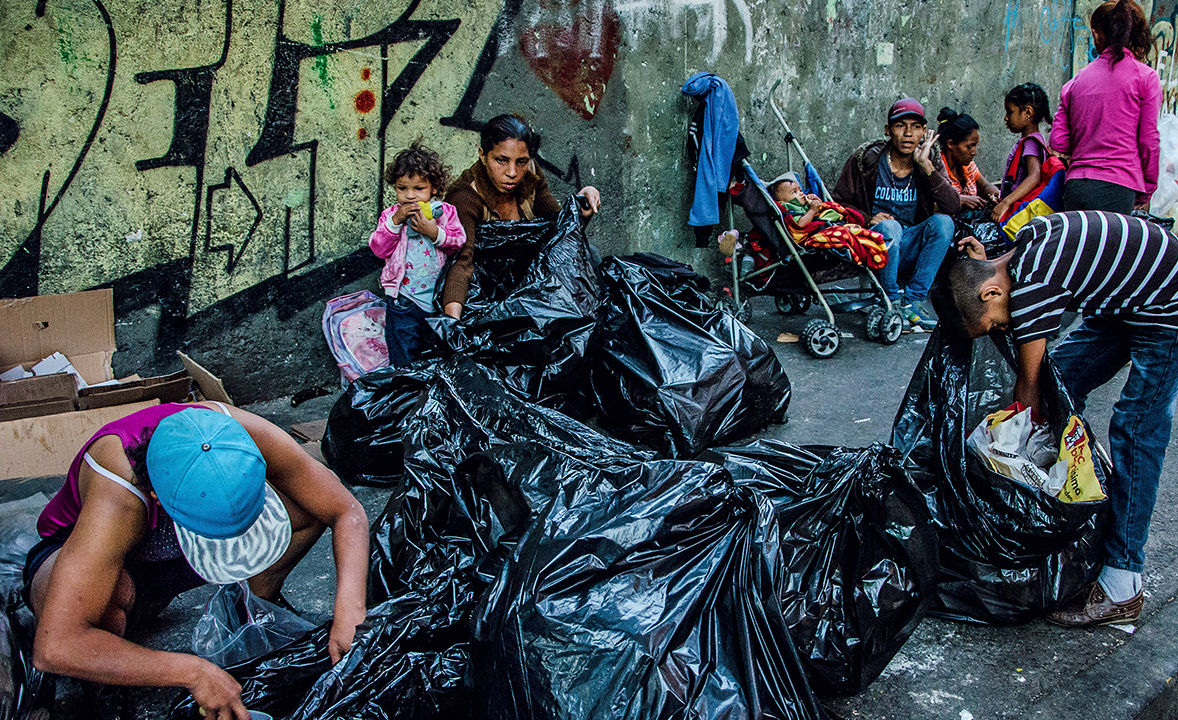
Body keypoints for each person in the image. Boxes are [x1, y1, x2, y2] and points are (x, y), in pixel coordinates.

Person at [24, 402, 370, 720]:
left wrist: (349, 609)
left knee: (307, 506)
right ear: (157, 495)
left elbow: (345, 510)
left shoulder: (240, 434)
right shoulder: (118, 493)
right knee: (109, 604)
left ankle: (248, 612)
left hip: (179, 556)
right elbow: (56, 645)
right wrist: (192, 672)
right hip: (107, 566)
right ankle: (107, 687)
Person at [949, 211, 1178, 626]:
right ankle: (1087, 499)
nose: (1002, 328)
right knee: (1065, 383)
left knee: (1136, 428)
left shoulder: (1030, 288)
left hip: (1167, 309)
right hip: (1123, 304)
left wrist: (1014, 459)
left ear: (990, 294)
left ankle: (1123, 582)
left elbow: (1029, 389)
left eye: (994, 324)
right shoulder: (1017, 257)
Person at [441, 114, 601, 320]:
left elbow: (559, 231)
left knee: (591, 256)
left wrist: (581, 205)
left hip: (528, 280)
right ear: (483, 155)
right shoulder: (465, 197)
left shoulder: (530, 175)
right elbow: (462, 262)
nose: (512, 172)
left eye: (521, 162)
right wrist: (451, 327)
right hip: (490, 290)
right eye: (501, 160)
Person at [832, 97, 960, 330]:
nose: (908, 133)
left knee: (944, 223)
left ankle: (912, 301)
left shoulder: (928, 159)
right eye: (901, 126)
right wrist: (868, 219)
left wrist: (928, 169)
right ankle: (890, 300)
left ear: (923, 132)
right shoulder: (867, 159)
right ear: (888, 130)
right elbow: (838, 205)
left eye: (916, 127)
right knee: (891, 227)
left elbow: (953, 206)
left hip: (909, 245)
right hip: (872, 246)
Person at [1050, 0, 1161, 213]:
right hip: (1119, 187)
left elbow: (1059, 141)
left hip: (1076, 185)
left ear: (1099, 34)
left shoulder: (1076, 81)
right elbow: (1149, 141)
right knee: (1109, 246)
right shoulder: (1146, 78)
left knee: (1078, 245)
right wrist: (1147, 188)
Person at [369, 141, 466, 365]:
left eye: (419, 189)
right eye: (402, 188)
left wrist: (434, 232)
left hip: (436, 298)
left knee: (434, 351)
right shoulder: (391, 216)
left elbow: (458, 242)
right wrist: (395, 222)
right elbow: (378, 248)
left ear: (433, 188)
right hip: (404, 299)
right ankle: (403, 392)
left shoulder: (445, 212)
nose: (410, 196)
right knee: (403, 351)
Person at [769, 174, 887, 269]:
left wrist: (817, 203)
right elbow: (799, 225)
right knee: (842, 233)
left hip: (829, 225)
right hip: (813, 236)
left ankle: (863, 242)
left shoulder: (804, 204)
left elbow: (820, 210)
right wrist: (812, 210)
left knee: (845, 218)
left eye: (800, 190)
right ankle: (846, 249)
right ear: (781, 202)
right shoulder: (788, 210)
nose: (801, 193)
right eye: (794, 192)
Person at [992, 83, 1052, 223]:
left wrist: (1006, 202)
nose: (1006, 118)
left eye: (1010, 111)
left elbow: (1034, 176)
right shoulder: (1033, 141)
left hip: (1017, 214)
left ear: (1027, 112)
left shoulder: (1031, 142)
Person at [936, 107, 1000, 212]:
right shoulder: (937, 169)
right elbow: (931, 206)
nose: (974, 152)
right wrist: (960, 200)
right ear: (950, 144)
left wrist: (996, 194)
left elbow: (985, 186)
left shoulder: (968, 165)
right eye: (969, 147)